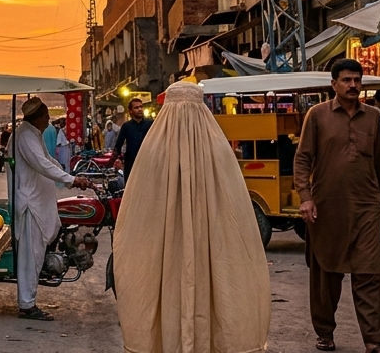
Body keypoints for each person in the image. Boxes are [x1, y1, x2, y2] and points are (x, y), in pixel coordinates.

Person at [114, 82, 270, 352]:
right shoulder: (219, 149)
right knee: (215, 288)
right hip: (210, 245)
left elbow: (137, 212)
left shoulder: (152, 151)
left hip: (163, 248)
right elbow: (237, 214)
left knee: (167, 290)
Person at [294, 59, 380, 353]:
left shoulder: (373, 116)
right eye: (347, 80)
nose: (353, 85)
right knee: (326, 274)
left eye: (357, 80)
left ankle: (374, 341)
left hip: (366, 209)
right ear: (333, 84)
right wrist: (306, 197)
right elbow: (302, 159)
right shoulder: (317, 115)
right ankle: (325, 332)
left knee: (369, 274)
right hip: (327, 209)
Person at [12, 97, 93, 321]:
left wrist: (72, 177)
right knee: (31, 256)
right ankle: (27, 305)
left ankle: (29, 300)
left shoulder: (33, 134)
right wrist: (71, 179)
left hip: (38, 202)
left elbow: (49, 160)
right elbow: (42, 164)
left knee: (36, 255)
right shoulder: (26, 135)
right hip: (31, 204)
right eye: (46, 116)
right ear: (37, 117)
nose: (48, 121)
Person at [114, 98, 154, 175]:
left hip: (148, 162)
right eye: (136, 107)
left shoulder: (150, 124)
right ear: (130, 111)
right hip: (131, 163)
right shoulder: (126, 126)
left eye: (141, 107)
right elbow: (118, 145)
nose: (140, 109)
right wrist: (117, 159)